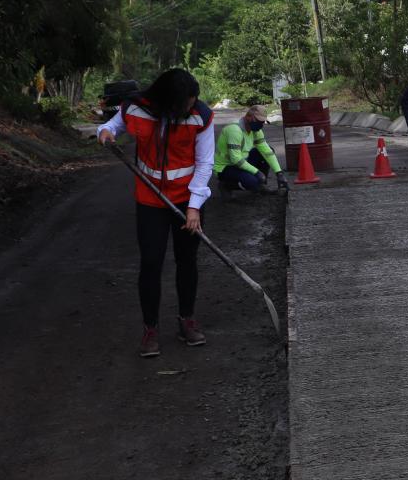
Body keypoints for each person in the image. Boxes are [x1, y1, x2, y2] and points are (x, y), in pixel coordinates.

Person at [97, 69, 216, 357]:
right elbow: (113, 125)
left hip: (188, 200)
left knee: (187, 260)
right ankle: (150, 329)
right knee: (151, 262)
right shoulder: (136, 108)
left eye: (193, 100)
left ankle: (186, 320)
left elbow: (204, 164)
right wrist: (105, 133)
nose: (192, 105)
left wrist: (193, 208)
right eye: (186, 102)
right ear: (168, 100)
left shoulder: (201, 116)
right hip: (150, 199)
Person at [215, 105, 287, 193]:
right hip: (225, 166)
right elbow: (236, 160)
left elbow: (267, 151)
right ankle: (226, 185)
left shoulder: (255, 130)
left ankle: (261, 185)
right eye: (258, 121)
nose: (260, 125)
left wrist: (279, 173)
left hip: (242, 161)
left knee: (267, 151)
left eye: (262, 122)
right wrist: (257, 172)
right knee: (252, 182)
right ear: (248, 117)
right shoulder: (234, 130)